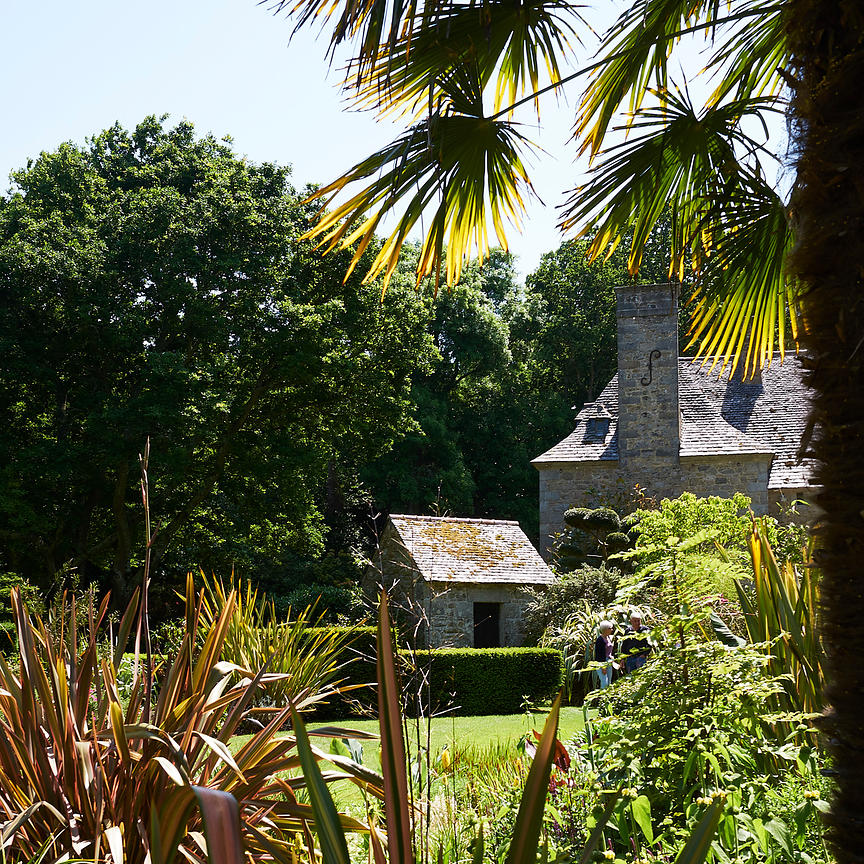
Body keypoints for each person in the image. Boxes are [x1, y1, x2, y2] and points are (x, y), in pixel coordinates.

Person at [593, 620, 616, 689]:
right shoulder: (600, 640)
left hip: (609, 661)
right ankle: (603, 695)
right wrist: (603, 667)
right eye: (610, 628)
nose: (612, 630)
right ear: (605, 629)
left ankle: (608, 695)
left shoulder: (608, 637)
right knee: (604, 682)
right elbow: (599, 654)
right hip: (602, 663)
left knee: (609, 682)